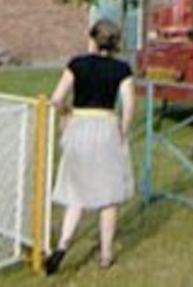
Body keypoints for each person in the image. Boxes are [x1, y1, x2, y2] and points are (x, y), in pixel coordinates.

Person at [45, 19, 135, 274]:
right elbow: (128, 105)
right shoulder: (122, 69)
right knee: (109, 194)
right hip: (106, 125)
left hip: (79, 124)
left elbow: (56, 99)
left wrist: (66, 114)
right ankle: (106, 254)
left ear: (93, 39)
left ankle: (63, 245)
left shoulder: (77, 64)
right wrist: (123, 131)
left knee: (76, 191)